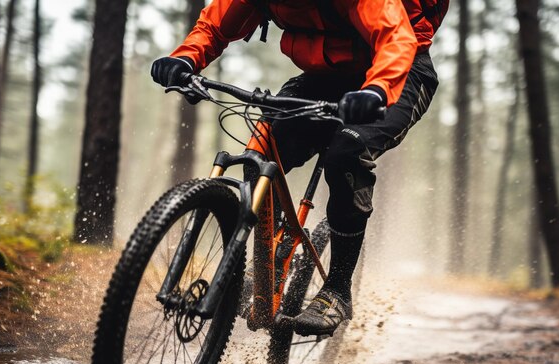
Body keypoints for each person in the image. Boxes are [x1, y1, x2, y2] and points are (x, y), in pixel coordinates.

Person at [151, 0, 443, 337]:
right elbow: (214, 25)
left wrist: (377, 89)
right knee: (261, 153)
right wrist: (185, 58)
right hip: (325, 76)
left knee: (347, 152)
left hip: (400, 73)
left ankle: (337, 291)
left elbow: (396, 38)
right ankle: (270, 264)